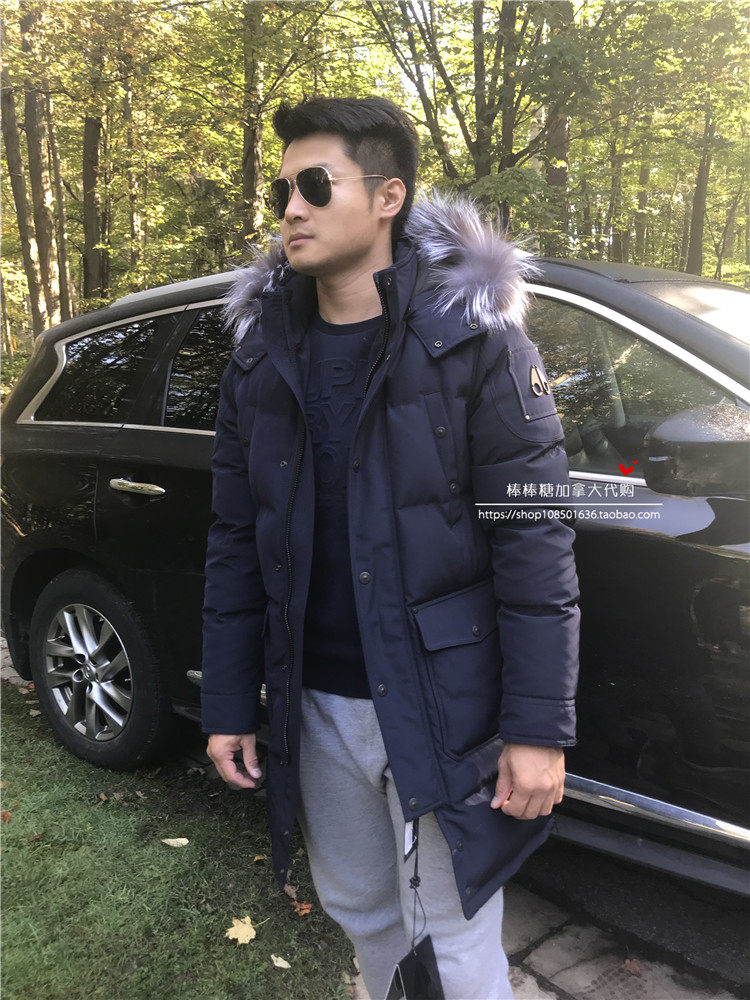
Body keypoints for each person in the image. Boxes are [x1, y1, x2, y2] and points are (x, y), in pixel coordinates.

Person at [201, 95, 580, 1000]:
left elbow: (536, 543)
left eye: (315, 185)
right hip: (314, 703)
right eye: (281, 191)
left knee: (453, 934)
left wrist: (538, 730)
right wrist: (228, 702)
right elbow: (234, 543)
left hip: (442, 702)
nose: (291, 208)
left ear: (387, 197)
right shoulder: (258, 360)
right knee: (364, 913)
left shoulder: (478, 344)